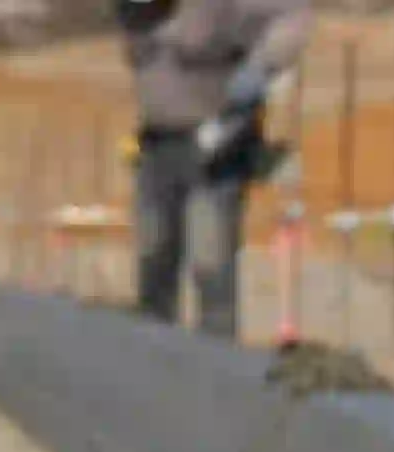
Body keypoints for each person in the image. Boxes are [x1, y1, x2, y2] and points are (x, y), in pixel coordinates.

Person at [115, 0, 312, 341]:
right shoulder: (134, 12)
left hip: (215, 150)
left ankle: (215, 370)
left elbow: (293, 17)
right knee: (152, 260)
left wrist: (261, 68)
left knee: (210, 264)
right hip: (156, 147)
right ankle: (150, 368)